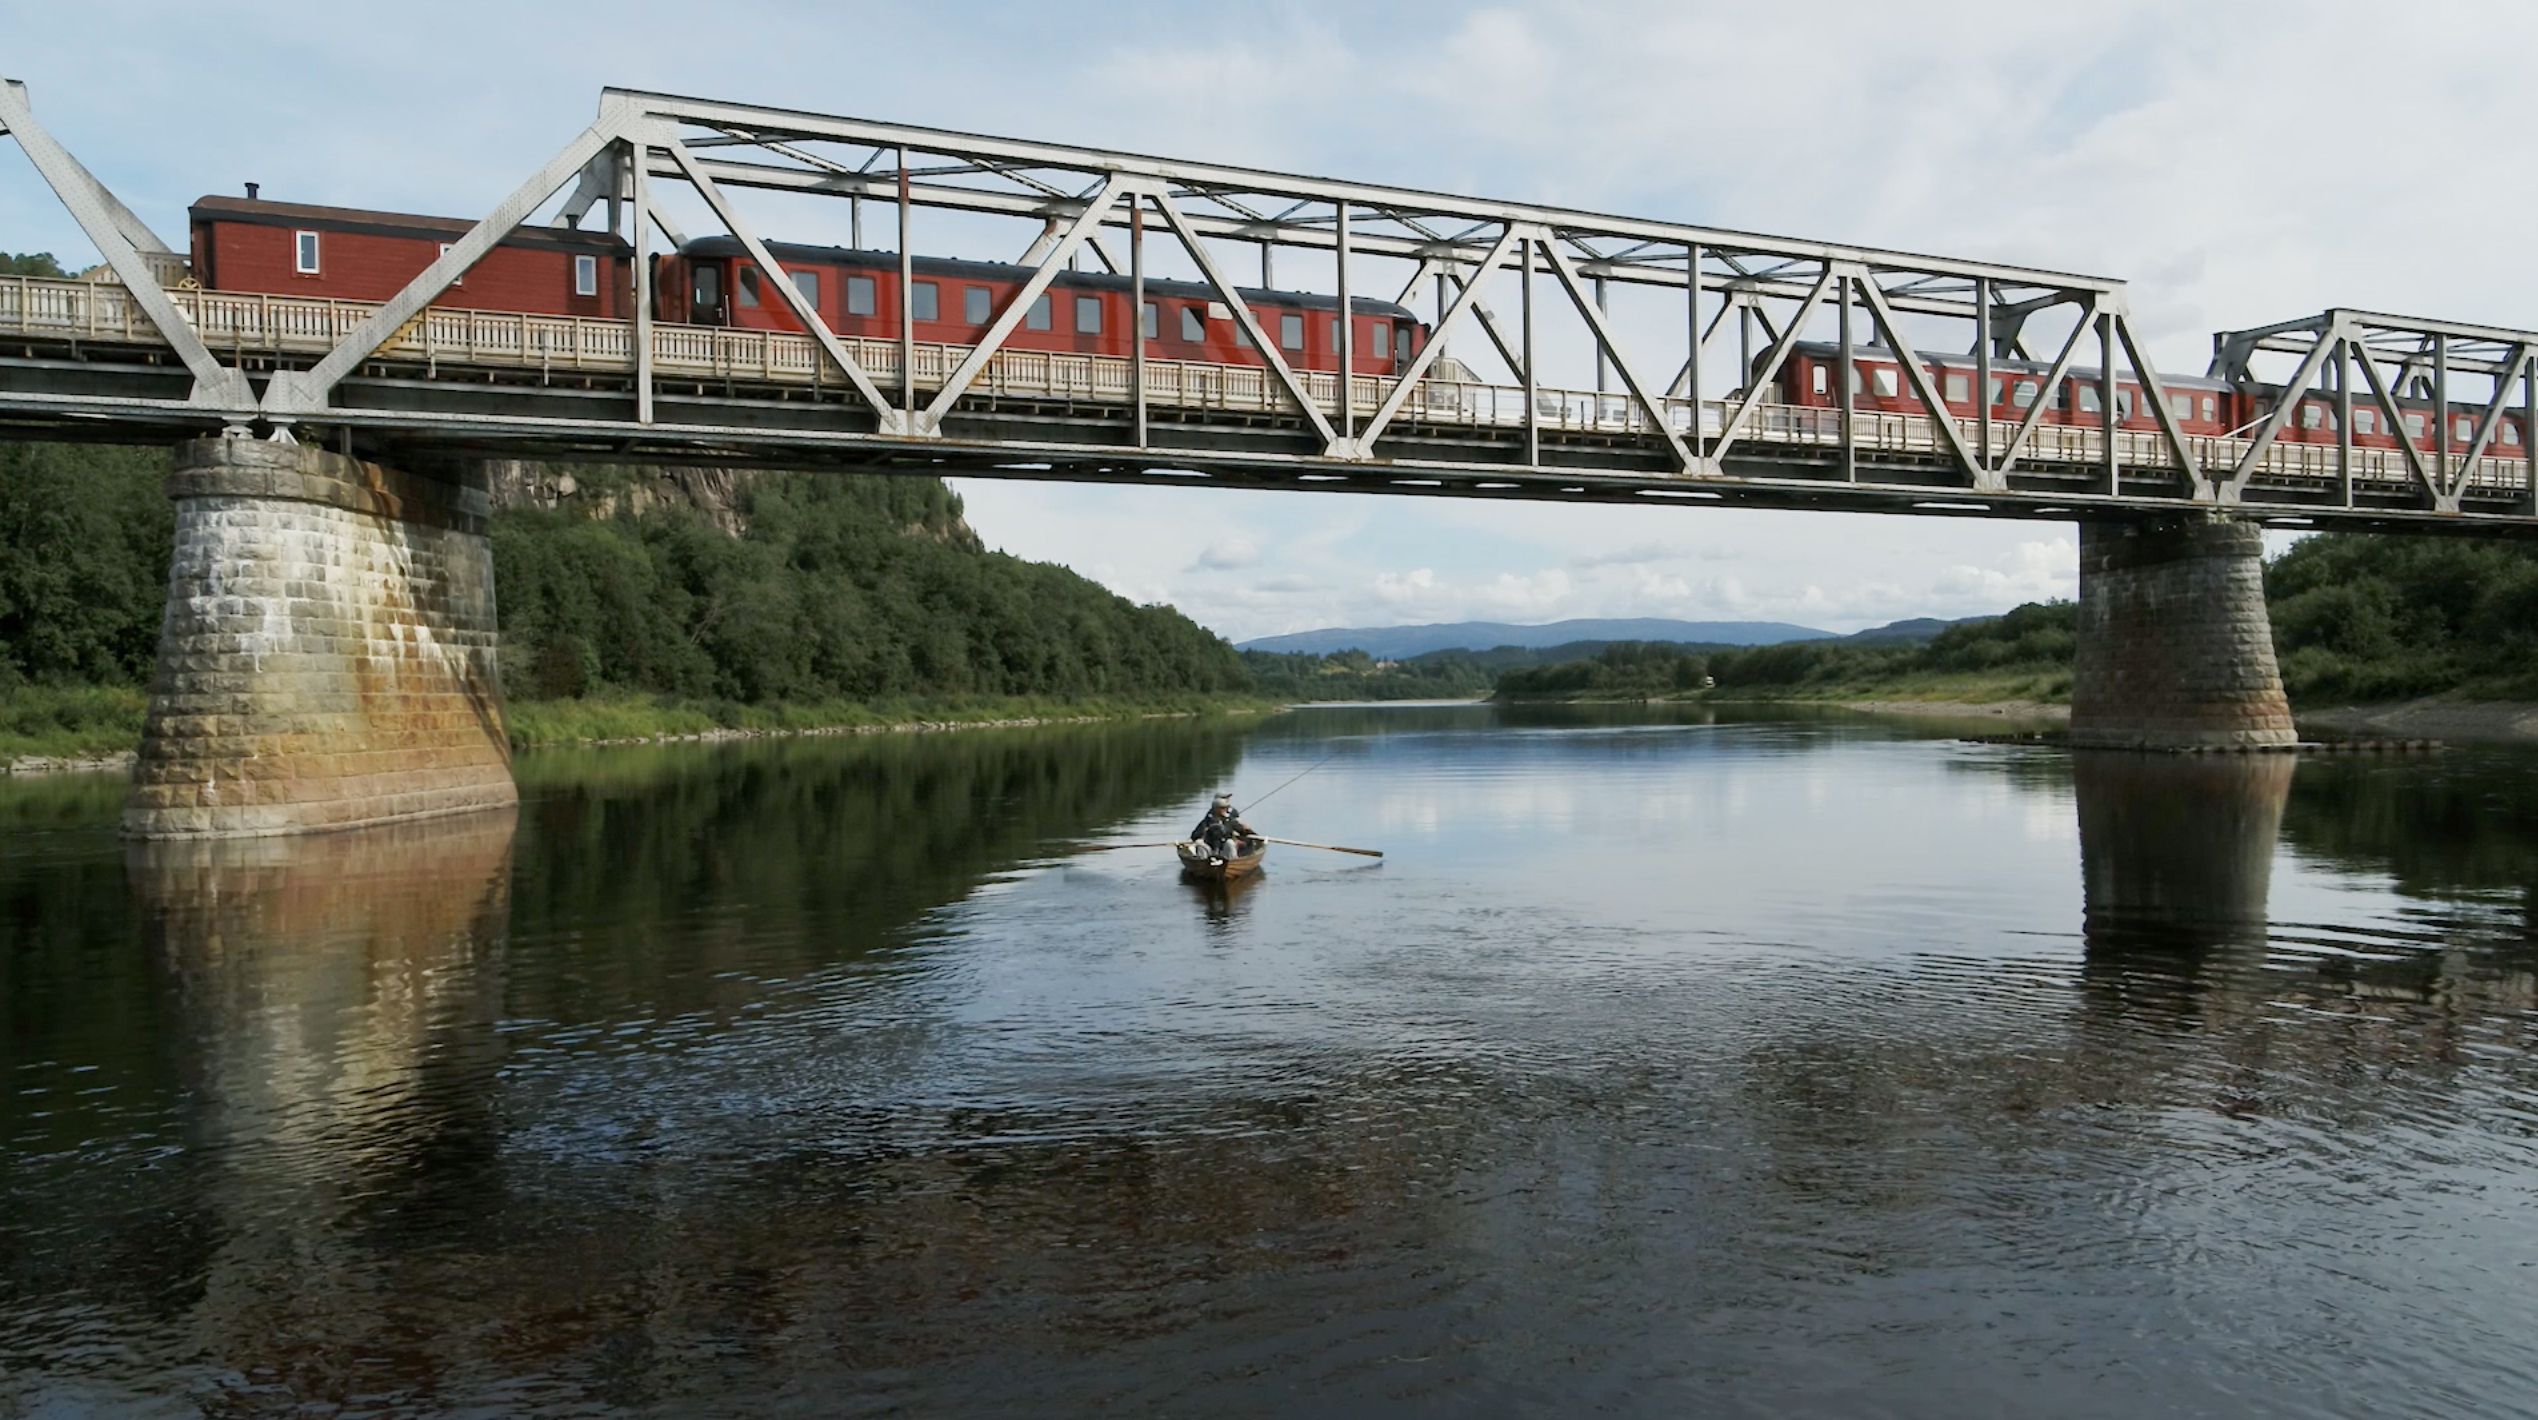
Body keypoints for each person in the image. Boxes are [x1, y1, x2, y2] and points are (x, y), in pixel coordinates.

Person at [1190, 793, 1256, 858]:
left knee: (1230, 843)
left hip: (1224, 848)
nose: (1225, 809)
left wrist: (1247, 830)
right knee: (1200, 844)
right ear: (1215, 808)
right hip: (1210, 846)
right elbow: (1194, 835)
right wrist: (1204, 831)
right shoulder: (1207, 821)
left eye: (1225, 807)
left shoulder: (1229, 821)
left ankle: (1232, 862)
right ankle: (1202, 863)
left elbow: (1242, 831)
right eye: (1222, 808)